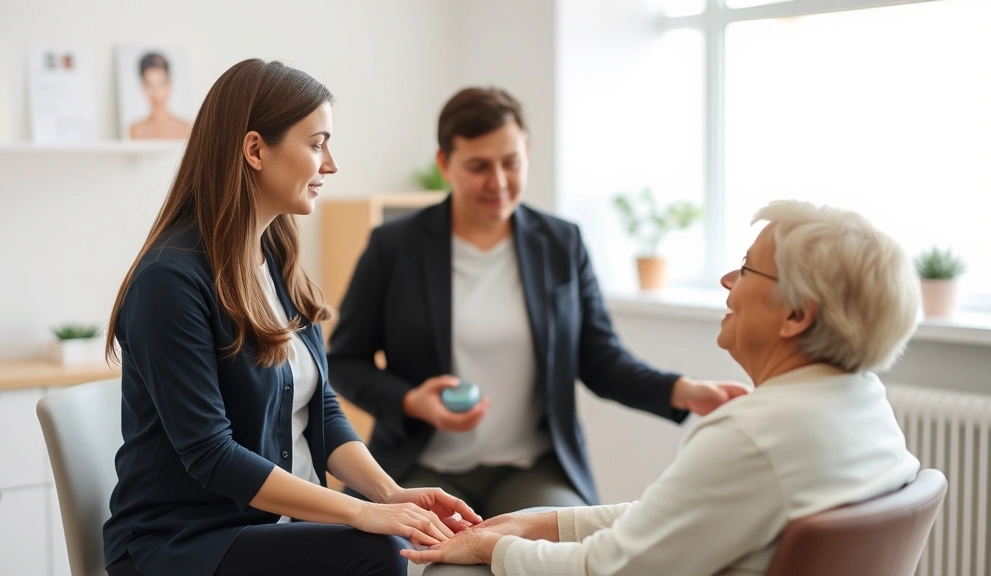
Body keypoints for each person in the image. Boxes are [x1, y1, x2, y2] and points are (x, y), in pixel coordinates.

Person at [102, 59, 481, 576]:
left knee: (418, 542)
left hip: (273, 526)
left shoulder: (275, 257)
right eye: (318, 142)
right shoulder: (169, 281)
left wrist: (390, 493)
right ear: (255, 149)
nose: (331, 164)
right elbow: (211, 453)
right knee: (380, 551)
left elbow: (318, 407)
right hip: (184, 541)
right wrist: (363, 512)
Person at [401, 200, 923, 576]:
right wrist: (534, 526)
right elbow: (671, 519)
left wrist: (494, 550)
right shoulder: (863, 403)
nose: (726, 281)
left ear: (795, 314)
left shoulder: (752, 436)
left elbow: (609, 569)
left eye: (745, 269)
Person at [327, 86, 749, 518]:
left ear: (527, 152)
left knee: (563, 555)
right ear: (444, 164)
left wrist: (685, 391)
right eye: (479, 166)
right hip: (417, 468)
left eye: (511, 162)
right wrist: (411, 401)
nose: (499, 182)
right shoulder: (394, 247)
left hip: (533, 471)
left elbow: (601, 359)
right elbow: (344, 360)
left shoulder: (561, 242)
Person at [128, 52, 190, 140]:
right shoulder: (134, 130)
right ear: (142, 86)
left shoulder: (187, 128)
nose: (156, 92)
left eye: (161, 83)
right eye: (149, 84)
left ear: (169, 85)